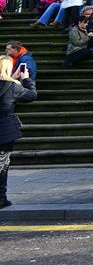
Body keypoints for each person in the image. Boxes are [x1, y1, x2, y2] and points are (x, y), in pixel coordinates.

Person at [0, 56, 37, 209]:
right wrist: (27, 79)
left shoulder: (10, 84)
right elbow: (31, 96)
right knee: (2, 163)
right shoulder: (11, 86)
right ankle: (1, 197)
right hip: (4, 131)